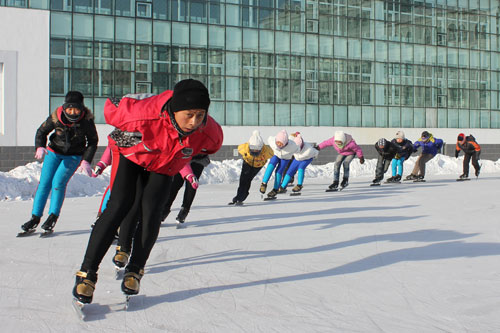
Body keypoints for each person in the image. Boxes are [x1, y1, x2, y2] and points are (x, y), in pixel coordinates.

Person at [72, 79, 223, 304]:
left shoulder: (209, 133)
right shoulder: (140, 116)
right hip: (134, 154)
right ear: (175, 108)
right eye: (189, 114)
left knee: (152, 211)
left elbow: (210, 146)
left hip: (164, 165)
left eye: (200, 115)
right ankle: (87, 273)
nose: (194, 122)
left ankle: (135, 270)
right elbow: (112, 107)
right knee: (121, 203)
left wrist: (188, 157)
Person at [20, 91, 98, 234]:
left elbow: (93, 142)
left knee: (58, 183)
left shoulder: (86, 121)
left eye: (76, 109)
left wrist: (86, 160)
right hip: (54, 153)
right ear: (65, 107)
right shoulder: (56, 117)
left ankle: (52, 216)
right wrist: (40, 146)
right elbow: (41, 131)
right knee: (44, 183)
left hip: (73, 156)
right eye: (70, 108)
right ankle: (35, 218)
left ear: (82, 108)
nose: (73, 112)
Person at [229, 130, 274, 205]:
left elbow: (273, 153)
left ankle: (242, 196)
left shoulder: (267, 151)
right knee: (243, 179)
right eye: (252, 150)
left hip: (258, 166)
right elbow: (239, 148)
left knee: (248, 179)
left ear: (261, 147)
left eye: (257, 151)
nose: (255, 152)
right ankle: (239, 197)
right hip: (247, 163)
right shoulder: (243, 148)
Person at [161, 154, 209, 223]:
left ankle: (185, 210)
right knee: (175, 183)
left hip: (199, 158)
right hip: (183, 157)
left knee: (191, 183)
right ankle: (165, 209)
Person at [259, 130, 299, 199]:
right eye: (278, 142)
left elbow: (298, 149)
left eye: (281, 144)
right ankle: (264, 184)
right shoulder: (272, 141)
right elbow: (269, 139)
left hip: (285, 158)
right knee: (271, 165)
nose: (279, 145)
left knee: (279, 172)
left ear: (286, 143)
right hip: (276, 155)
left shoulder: (292, 146)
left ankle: (275, 189)